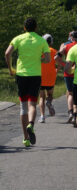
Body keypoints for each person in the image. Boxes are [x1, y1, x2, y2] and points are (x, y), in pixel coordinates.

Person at [5, 18, 50, 147]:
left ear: (24, 28)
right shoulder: (42, 41)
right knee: (32, 104)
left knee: (23, 106)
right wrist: (38, 59)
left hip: (21, 74)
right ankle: (31, 123)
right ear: (36, 28)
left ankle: (26, 138)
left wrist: (10, 68)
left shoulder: (18, 38)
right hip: (35, 75)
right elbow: (47, 60)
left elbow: (7, 53)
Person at [55, 31, 77, 125]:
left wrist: (64, 65)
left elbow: (56, 58)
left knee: (70, 94)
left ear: (71, 37)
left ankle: (71, 113)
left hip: (68, 73)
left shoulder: (66, 46)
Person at [38, 34, 57, 123]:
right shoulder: (54, 51)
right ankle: (49, 102)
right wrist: (57, 69)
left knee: (41, 97)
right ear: (51, 41)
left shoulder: (39, 51)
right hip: (51, 76)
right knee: (50, 95)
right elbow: (59, 63)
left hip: (41, 76)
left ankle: (42, 116)